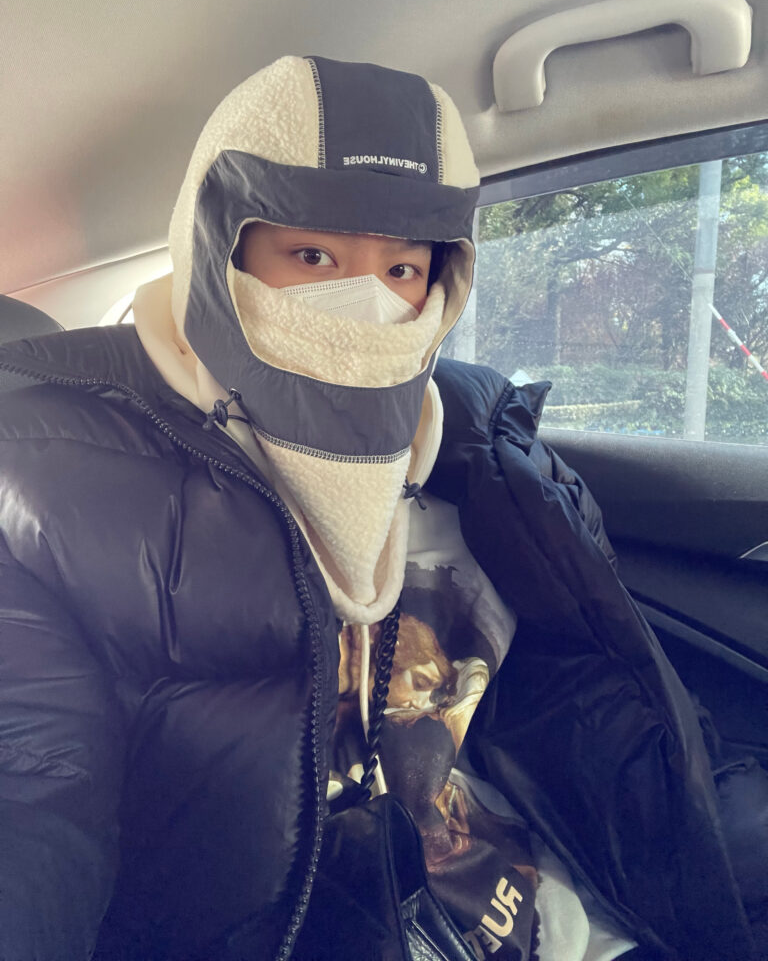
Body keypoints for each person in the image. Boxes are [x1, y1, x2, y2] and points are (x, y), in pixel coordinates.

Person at [0, 56, 757, 961]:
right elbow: (34, 791)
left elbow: (620, 696)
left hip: (573, 907)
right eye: (313, 257)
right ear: (218, 253)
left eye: (402, 266)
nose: (365, 304)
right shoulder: (49, 484)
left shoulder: (479, 438)